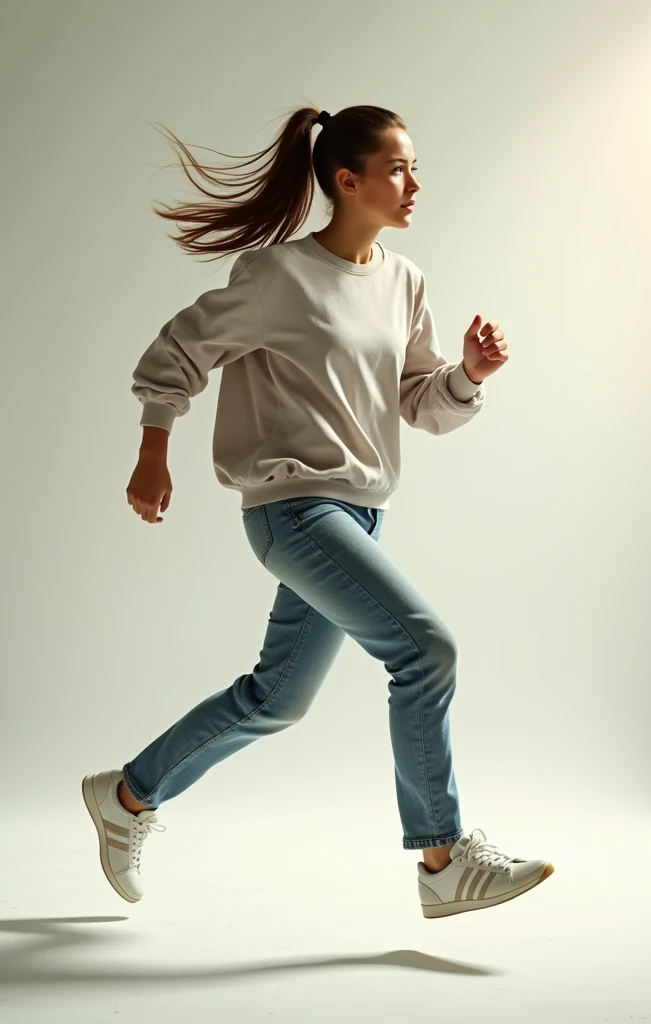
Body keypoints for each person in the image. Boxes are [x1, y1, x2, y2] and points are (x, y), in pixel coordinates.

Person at [82, 103, 554, 918]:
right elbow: (176, 354)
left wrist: (470, 374)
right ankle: (442, 860)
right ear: (348, 179)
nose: (415, 184)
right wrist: (153, 449)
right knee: (425, 650)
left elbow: (420, 401)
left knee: (277, 699)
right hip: (294, 510)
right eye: (399, 168)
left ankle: (126, 796)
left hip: (361, 515)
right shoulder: (276, 278)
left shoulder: (404, 281)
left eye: (414, 168)